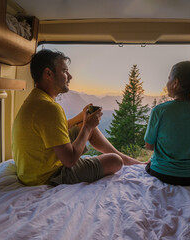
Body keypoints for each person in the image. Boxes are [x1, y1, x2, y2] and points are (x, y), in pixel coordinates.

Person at [12, 49, 142, 186]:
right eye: (64, 71)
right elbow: (69, 160)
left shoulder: (36, 100)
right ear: (48, 74)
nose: (70, 76)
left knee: (85, 128)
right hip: (47, 176)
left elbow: (56, 130)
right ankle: (123, 159)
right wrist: (87, 126)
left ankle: (129, 160)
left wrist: (82, 117)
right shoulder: (50, 108)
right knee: (115, 161)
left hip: (30, 173)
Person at [144, 61, 190, 186]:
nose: (167, 83)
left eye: (168, 79)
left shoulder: (160, 111)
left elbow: (149, 146)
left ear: (175, 83)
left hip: (164, 173)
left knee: (150, 164)